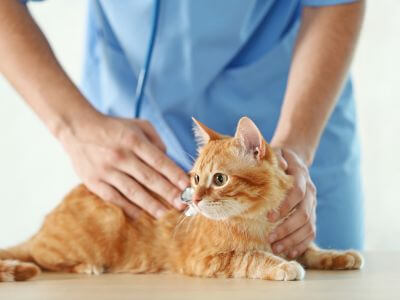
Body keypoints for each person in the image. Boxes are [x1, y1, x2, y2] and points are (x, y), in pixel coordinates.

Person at [0, 0, 365, 258]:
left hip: (291, 122)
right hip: (132, 146)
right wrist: (72, 123)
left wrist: (295, 147)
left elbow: (335, 2)